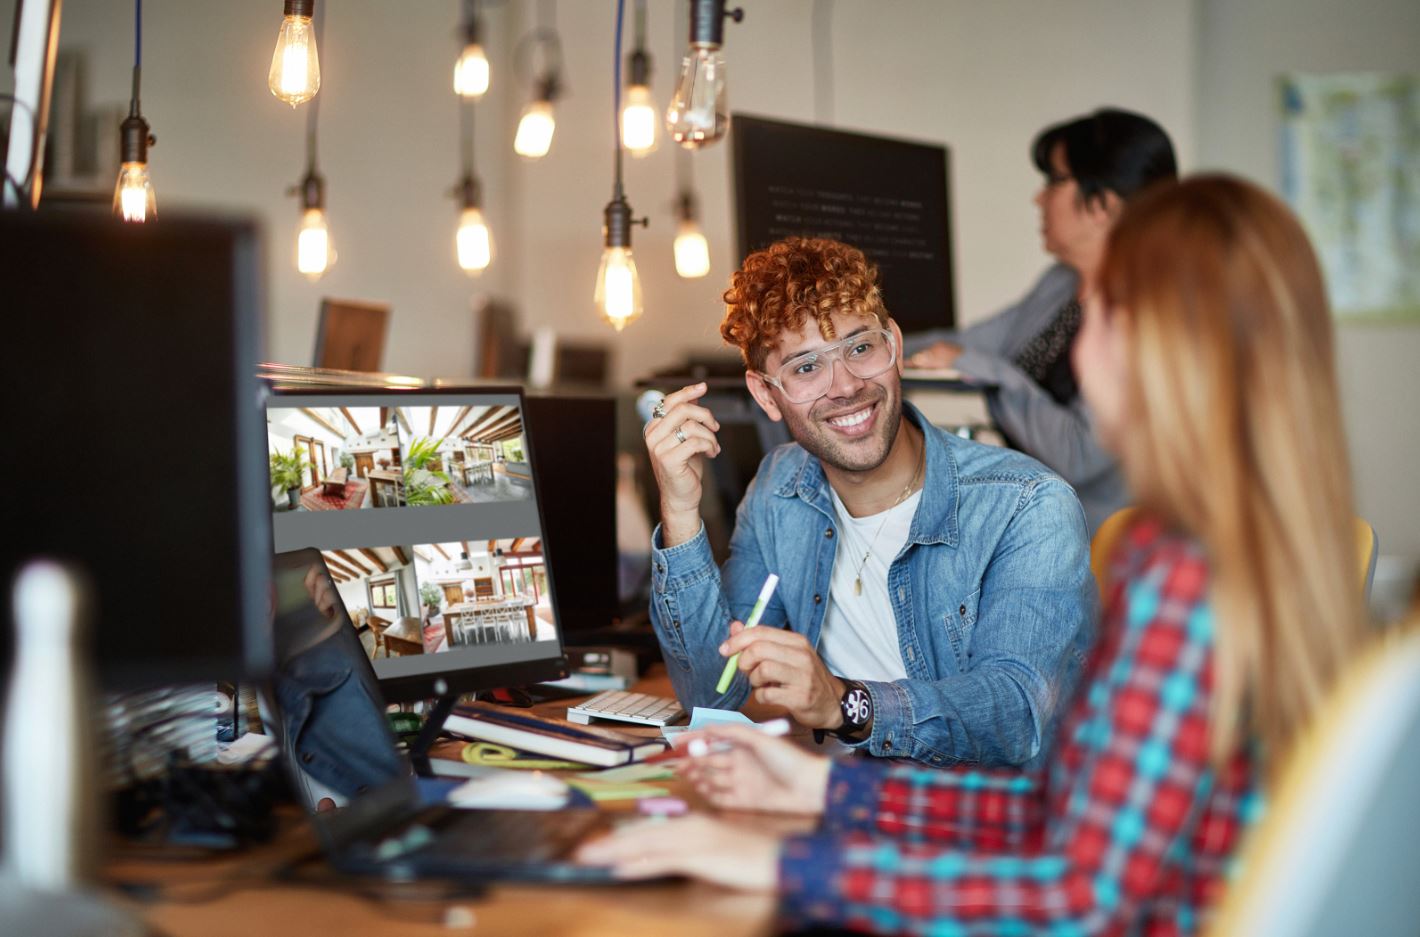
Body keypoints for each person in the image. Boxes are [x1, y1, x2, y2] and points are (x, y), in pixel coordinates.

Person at [580, 176, 1370, 934]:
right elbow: (1061, 818)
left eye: (1095, 315)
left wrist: (786, 863)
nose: (1079, 355)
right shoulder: (1229, 555)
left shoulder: (1181, 580)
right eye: (809, 366)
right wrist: (826, 789)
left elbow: (1076, 897)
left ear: (1152, 346)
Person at [643, 236, 1095, 768]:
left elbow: (1014, 715)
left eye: (860, 349)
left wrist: (844, 703)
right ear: (766, 394)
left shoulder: (1028, 506)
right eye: (806, 368)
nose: (845, 386)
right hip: (851, 792)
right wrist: (680, 513)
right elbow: (713, 694)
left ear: (894, 345)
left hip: (986, 809)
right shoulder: (780, 487)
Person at [907, 108, 1177, 533]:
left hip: (1100, 547)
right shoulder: (1060, 284)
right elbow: (966, 343)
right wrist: (866, 344)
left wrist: (981, 369)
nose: (1039, 198)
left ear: (1102, 204)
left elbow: (1078, 453)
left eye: (1054, 180)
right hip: (1034, 522)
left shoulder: (1151, 311)